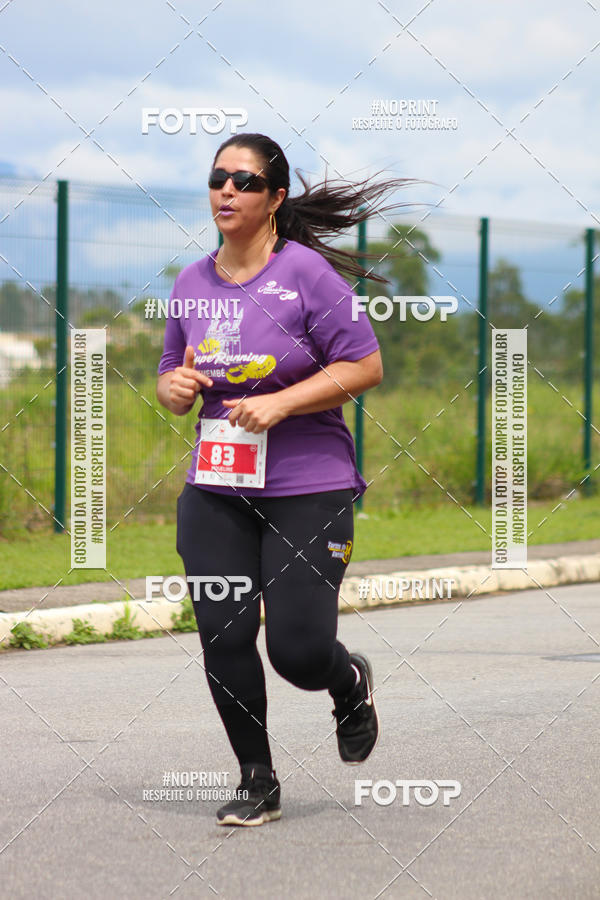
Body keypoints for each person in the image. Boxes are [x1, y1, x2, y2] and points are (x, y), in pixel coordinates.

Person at [156, 133, 410, 827]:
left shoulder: (306, 275)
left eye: (243, 180)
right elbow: (172, 376)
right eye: (218, 179)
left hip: (308, 484)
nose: (227, 191)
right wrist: (173, 388)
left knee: (296, 652)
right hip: (217, 487)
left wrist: (283, 401)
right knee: (224, 634)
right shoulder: (190, 282)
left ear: (275, 198)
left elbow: (364, 367)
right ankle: (256, 778)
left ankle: (346, 681)